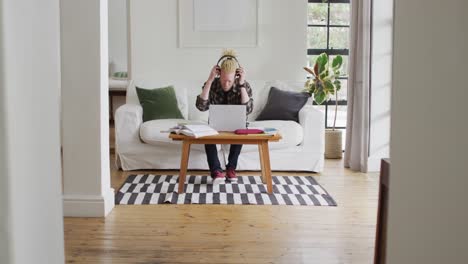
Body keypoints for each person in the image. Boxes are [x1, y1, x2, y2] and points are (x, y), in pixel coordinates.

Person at [195, 49, 253, 184]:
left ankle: (231, 169)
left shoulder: (243, 85)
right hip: (215, 125)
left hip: (237, 126)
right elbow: (201, 106)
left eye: (229, 81)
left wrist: (242, 84)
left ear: (236, 76)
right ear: (219, 74)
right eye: (223, 80)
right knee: (206, 135)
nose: (226, 84)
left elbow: (248, 110)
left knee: (242, 129)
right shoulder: (213, 84)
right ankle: (216, 171)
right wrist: (209, 80)